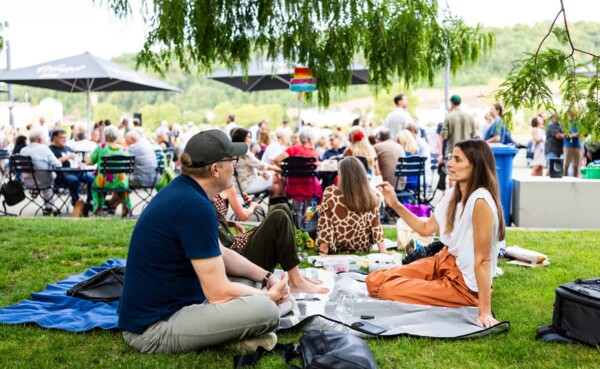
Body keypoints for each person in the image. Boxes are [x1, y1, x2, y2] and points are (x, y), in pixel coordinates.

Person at [119, 129, 289, 354]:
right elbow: (218, 292)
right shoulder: (195, 207)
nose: (235, 165)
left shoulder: (187, 193)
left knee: (250, 285)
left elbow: (221, 253)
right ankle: (237, 335)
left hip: (180, 306)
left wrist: (267, 278)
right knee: (268, 310)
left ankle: (237, 335)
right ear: (215, 169)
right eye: (232, 160)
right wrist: (270, 296)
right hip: (154, 329)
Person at [366, 139, 504, 328]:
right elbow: (425, 228)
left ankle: (442, 291)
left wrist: (485, 311)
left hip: (462, 285)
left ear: (476, 165)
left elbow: (483, 260)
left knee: (388, 289)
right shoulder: (454, 194)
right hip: (443, 261)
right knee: (373, 281)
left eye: (457, 159)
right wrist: (395, 204)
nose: (449, 163)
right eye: (451, 158)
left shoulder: (480, 201)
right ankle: (429, 285)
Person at [213, 186, 328, 294]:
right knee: (279, 216)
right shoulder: (209, 191)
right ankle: (297, 282)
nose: (234, 167)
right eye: (233, 163)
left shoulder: (207, 191)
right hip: (234, 255)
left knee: (282, 207)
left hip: (234, 245)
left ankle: (295, 275)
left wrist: (227, 223)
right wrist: (253, 205)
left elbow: (211, 219)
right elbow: (243, 216)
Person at [317, 157, 387, 254]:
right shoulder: (371, 195)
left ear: (342, 175)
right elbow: (376, 225)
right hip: (363, 246)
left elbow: (325, 223)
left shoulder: (331, 194)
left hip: (338, 246)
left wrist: (323, 250)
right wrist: (383, 251)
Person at [86, 126, 132, 216]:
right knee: (121, 187)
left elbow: (89, 162)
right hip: (121, 182)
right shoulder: (123, 149)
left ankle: (99, 210)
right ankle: (126, 209)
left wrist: (86, 159)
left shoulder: (100, 148)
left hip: (103, 182)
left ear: (105, 137)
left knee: (94, 186)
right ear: (116, 137)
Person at [19, 128, 62, 216]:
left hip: (27, 182)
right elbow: (58, 164)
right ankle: (48, 208)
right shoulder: (44, 148)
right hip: (44, 181)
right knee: (48, 182)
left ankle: (35, 190)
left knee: (44, 178)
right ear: (39, 139)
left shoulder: (23, 150)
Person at [274, 127, 323, 201]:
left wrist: (286, 169)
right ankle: (312, 211)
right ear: (310, 140)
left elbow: (276, 160)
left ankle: (296, 211)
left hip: (292, 186)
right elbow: (316, 168)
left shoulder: (291, 149)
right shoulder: (313, 153)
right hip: (310, 187)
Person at [49, 129, 94, 208]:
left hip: (76, 172)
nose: (64, 139)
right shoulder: (51, 149)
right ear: (55, 138)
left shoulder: (68, 148)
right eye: (61, 137)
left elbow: (76, 159)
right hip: (61, 174)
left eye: (65, 137)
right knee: (74, 181)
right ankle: (76, 201)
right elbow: (52, 163)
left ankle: (90, 201)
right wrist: (66, 157)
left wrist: (79, 161)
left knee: (92, 178)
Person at [231, 128, 283, 196]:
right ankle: (282, 202)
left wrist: (260, 174)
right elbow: (260, 165)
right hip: (245, 185)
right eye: (249, 137)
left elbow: (245, 167)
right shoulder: (244, 152)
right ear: (242, 138)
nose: (250, 140)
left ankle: (276, 204)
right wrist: (278, 168)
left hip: (239, 184)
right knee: (276, 177)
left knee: (276, 187)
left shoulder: (234, 150)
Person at [563, 110, 581, 177]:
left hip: (577, 145)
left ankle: (575, 180)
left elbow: (580, 133)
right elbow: (565, 134)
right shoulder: (566, 123)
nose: (572, 115)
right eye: (571, 114)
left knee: (576, 165)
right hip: (568, 146)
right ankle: (564, 179)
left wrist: (571, 134)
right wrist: (574, 135)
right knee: (566, 165)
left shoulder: (579, 122)